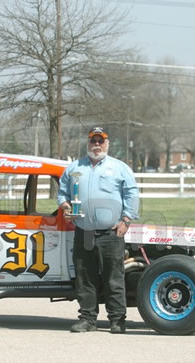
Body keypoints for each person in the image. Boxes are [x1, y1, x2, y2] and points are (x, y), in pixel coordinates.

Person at [57, 126, 139, 334]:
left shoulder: (120, 168)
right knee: (85, 278)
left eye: (100, 141)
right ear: (88, 143)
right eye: (93, 141)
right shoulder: (74, 168)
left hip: (111, 233)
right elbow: (62, 193)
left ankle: (117, 320)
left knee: (114, 278)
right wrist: (66, 207)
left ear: (107, 143)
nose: (96, 145)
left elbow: (131, 194)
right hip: (83, 232)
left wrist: (126, 220)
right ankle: (87, 319)